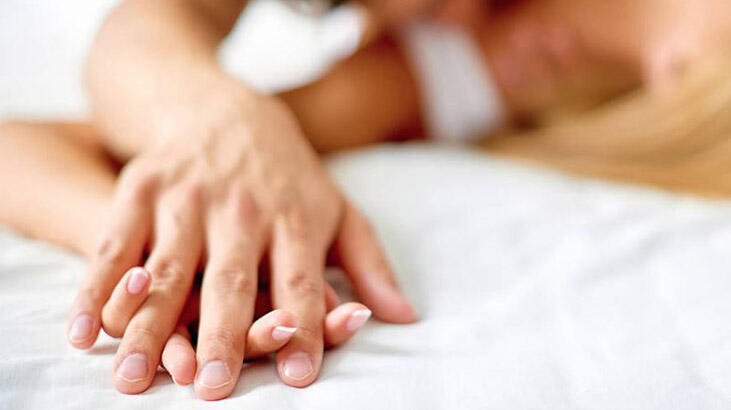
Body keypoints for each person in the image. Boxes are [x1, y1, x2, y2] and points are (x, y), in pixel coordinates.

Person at [1, 0, 730, 402]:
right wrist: (217, 140)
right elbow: (127, 51)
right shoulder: (456, 51)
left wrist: (177, 248)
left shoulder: (460, 65)